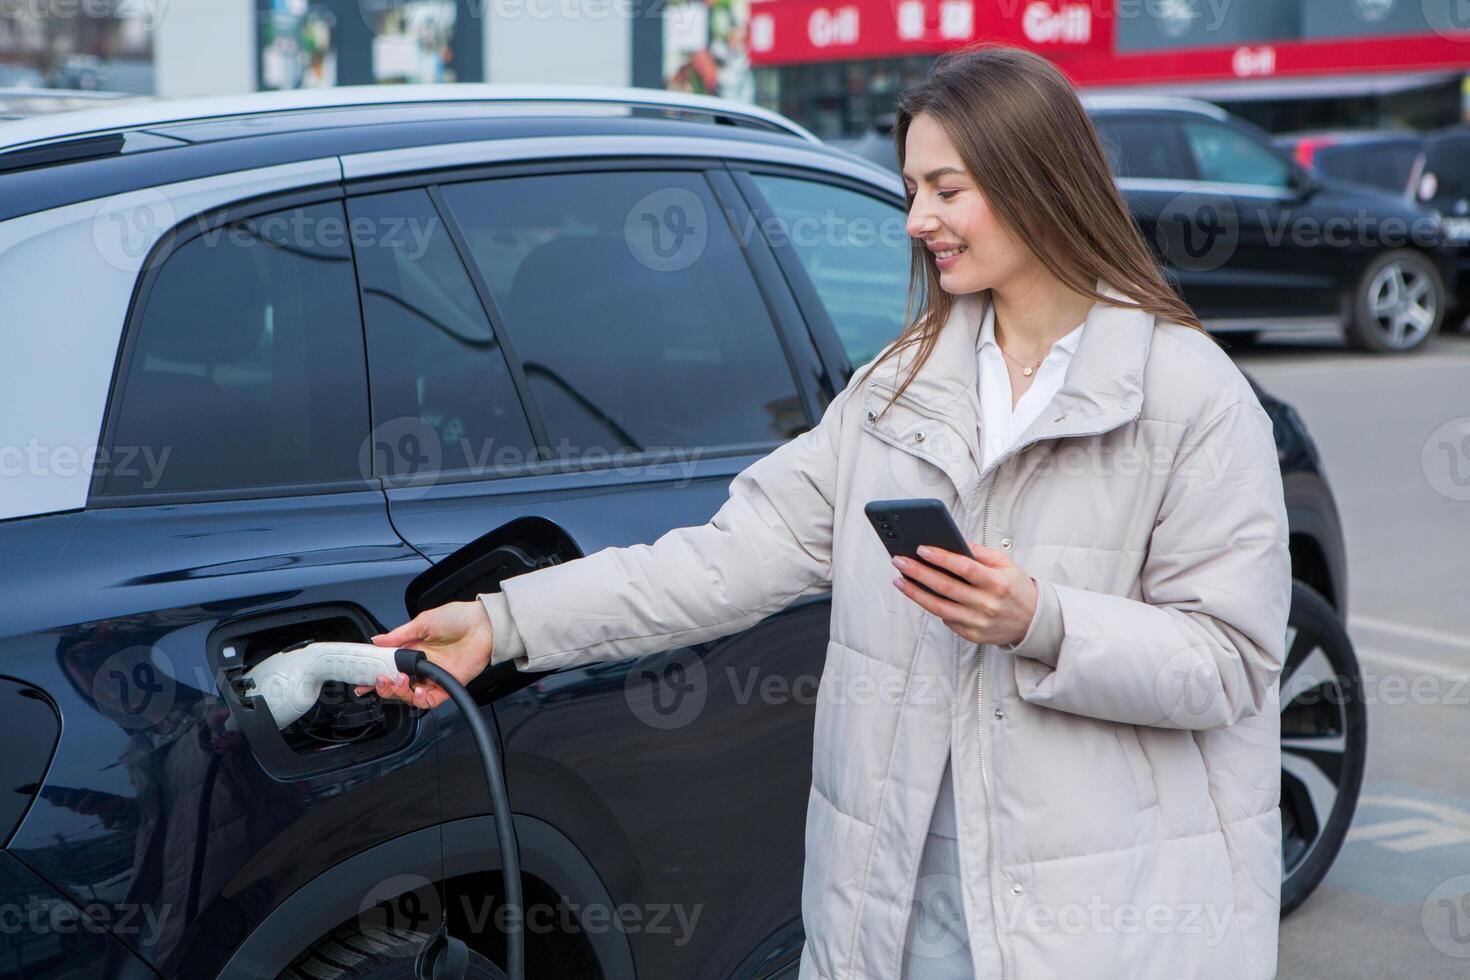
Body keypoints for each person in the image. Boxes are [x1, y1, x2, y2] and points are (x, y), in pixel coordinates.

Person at [366, 44, 1290, 980]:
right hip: (905, 922)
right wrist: (503, 621)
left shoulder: (1190, 397)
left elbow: (1229, 664)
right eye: (912, 189)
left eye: (946, 188)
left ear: (1037, 183)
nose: (918, 218)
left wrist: (1041, 622)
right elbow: (719, 563)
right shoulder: (893, 395)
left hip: (1108, 926)